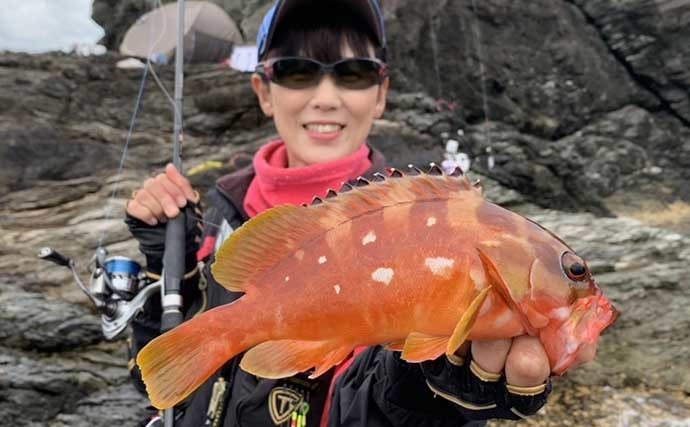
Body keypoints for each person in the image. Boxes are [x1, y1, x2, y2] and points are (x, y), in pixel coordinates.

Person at [124, 0, 555, 425]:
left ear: (381, 94)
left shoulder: (423, 221)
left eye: (354, 73)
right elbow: (165, 386)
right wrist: (168, 269)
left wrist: (424, 396)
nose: (326, 98)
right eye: (296, 71)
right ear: (263, 92)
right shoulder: (218, 216)